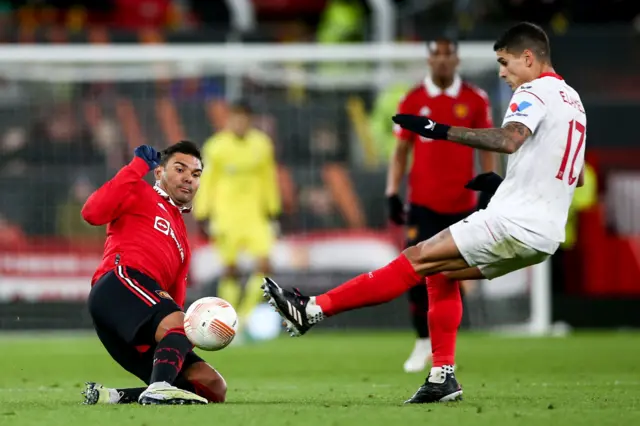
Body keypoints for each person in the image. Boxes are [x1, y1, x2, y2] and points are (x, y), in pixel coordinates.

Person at [262, 22, 587, 404]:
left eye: (504, 62)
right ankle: (442, 377)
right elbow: (573, 176)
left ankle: (311, 310)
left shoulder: (533, 91)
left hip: (511, 223)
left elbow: (508, 139)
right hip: (544, 237)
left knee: (413, 260)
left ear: (528, 58)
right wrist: (506, 187)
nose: (502, 72)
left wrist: (439, 130)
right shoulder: (572, 99)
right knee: (438, 273)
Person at [81, 141, 227, 405]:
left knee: (211, 386)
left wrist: (181, 341)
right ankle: (159, 387)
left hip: (142, 311)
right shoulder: (137, 190)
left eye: (195, 175)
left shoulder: (183, 239)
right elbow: (91, 213)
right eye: (180, 169)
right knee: (184, 324)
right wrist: (136, 167)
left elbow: (175, 302)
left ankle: (112, 397)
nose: (188, 179)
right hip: (119, 284)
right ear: (159, 173)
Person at [386, 38, 497, 373]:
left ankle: (444, 351)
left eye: (449, 56)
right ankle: (422, 342)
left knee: (453, 275)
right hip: (423, 204)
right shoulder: (413, 98)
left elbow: (488, 143)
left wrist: (490, 183)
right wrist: (392, 192)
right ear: (429, 60)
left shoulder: (475, 99)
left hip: (463, 204)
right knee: (416, 273)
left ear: (457, 60)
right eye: (438, 56)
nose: (444, 62)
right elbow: (401, 150)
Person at [193, 101, 281, 335]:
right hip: (226, 215)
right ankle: (228, 319)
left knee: (265, 265)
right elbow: (208, 180)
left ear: (250, 120)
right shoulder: (217, 147)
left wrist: (274, 209)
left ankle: (244, 317)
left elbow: (268, 177)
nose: (239, 123)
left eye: (243, 118)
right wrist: (203, 213)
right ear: (229, 120)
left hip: (255, 215)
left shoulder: (261, 144)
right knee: (230, 270)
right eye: (235, 118)